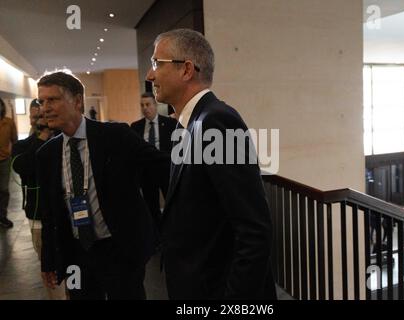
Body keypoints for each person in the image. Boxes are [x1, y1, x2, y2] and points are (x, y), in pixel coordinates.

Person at [146, 28, 276, 300]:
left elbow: (254, 231)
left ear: (187, 70)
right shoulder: (191, 123)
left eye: (157, 63)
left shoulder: (217, 122)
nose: (150, 75)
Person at [36, 71, 169, 300]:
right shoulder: (47, 154)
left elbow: (162, 167)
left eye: (52, 99)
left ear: (77, 101)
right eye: (41, 101)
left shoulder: (115, 136)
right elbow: (49, 213)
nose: (44, 108)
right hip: (76, 254)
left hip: (119, 249)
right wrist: (49, 259)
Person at [12, 103, 66, 299]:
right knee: (51, 268)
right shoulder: (23, 146)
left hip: (67, 214)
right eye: (35, 118)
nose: (38, 121)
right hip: (38, 215)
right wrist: (42, 137)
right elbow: (22, 167)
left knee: (75, 268)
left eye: (43, 117)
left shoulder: (63, 141)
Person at [131, 93, 176, 230]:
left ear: (155, 105)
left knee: (171, 203)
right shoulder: (136, 127)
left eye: (148, 104)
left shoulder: (169, 123)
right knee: (151, 206)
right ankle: (157, 237)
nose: (145, 108)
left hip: (165, 170)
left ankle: (173, 230)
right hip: (146, 173)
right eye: (142, 105)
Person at [0, 97, 18, 229]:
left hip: (5, 160)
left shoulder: (9, 122)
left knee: (4, 190)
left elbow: (15, 140)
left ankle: (2, 216)